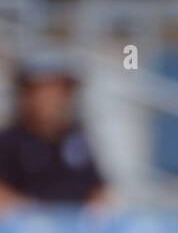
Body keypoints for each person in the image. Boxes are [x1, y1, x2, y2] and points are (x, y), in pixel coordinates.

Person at [0, 54, 106, 209]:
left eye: (60, 91)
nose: (53, 99)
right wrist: (35, 213)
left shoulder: (77, 137)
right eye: (45, 90)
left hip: (76, 228)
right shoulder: (9, 141)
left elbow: (99, 190)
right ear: (27, 94)